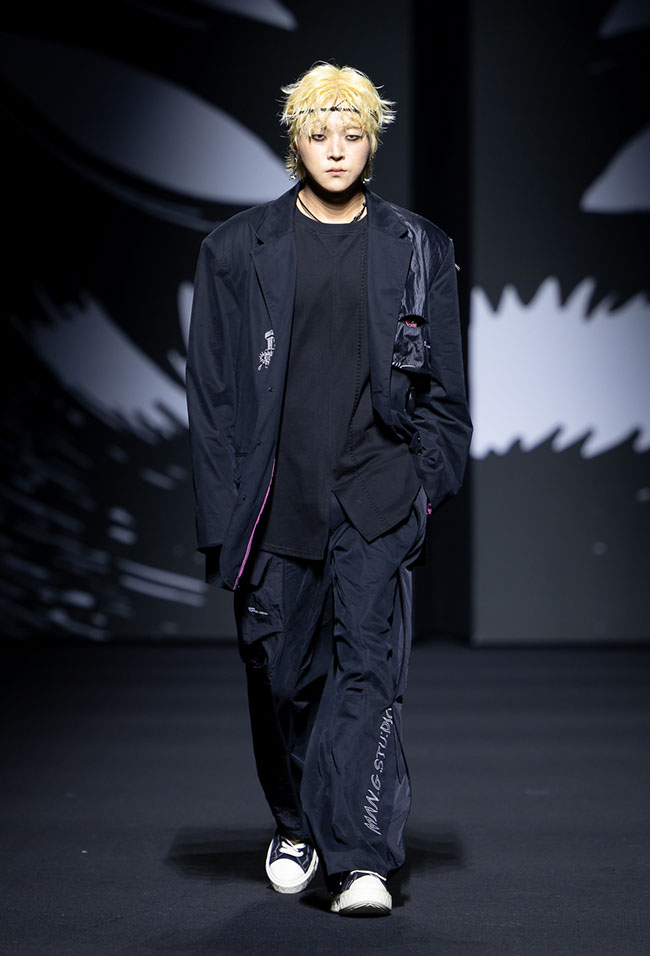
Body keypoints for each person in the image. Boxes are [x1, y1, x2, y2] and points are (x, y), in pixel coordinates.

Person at [186, 62, 472, 917]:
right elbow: (212, 398)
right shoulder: (235, 250)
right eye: (319, 134)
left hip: (376, 494)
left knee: (365, 676)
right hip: (275, 500)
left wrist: (421, 490)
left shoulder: (419, 247)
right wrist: (220, 523)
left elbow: (445, 397)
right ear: (295, 143)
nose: (336, 149)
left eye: (352, 134)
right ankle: (296, 820)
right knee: (279, 680)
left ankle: (360, 859)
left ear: (372, 142)